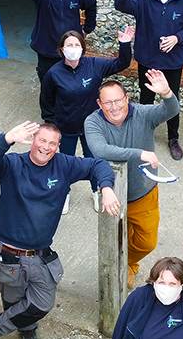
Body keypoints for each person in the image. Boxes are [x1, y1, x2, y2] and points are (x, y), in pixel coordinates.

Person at [0, 121, 120, 339]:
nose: (46, 147)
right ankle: (27, 332)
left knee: (42, 302)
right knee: (15, 303)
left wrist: (106, 188)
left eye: (52, 143)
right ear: (33, 140)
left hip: (40, 254)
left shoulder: (64, 165)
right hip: (10, 255)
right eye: (42, 140)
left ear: (57, 146)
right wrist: (7, 139)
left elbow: (99, 165)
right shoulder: (13, 164)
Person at [86, 72, 181, 289]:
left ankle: (128, 262)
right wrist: (139, 153)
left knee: (147, 241)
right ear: (100, 104)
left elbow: (172, 110)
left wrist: (166, 92)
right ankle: (122, 264)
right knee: (116, 237)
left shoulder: (143, 114)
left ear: (127, 98)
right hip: (112, 195)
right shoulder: (92, 122)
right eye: (108, 102)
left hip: (143, 193)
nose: (114, 106)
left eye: (118, 100)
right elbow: (100, 150)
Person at [41, 25, 134, 213]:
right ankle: (64, 193)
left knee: (93, 161)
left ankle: (96, 191)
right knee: (64, 162)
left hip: (92, 127)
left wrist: (124, 45)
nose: (73, 48)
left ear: (83, 48)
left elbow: (121, 63)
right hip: (65, 128)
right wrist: (52, 126)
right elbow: (46, 101)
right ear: (62, 49)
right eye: (69, 45)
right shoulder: (53, 73)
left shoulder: (94, 66)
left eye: (77, 44)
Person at [114, 0, 183, 160]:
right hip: (148, 60)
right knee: (146, 99)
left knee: (171, 99)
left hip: (172, 62)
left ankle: (173, 138)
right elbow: (121, 5)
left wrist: (177, 38)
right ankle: (144, 136)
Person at [13, 0, 98, 117]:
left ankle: (71, 111)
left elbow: (91, 6)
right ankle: (50, 118)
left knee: (72, 82)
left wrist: (87, 29)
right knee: (48, 84)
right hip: (46, 47)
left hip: (71, 49)